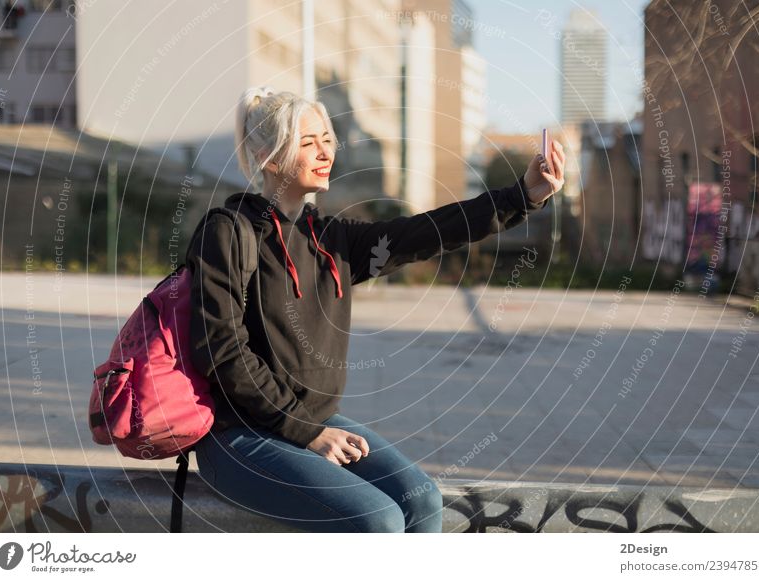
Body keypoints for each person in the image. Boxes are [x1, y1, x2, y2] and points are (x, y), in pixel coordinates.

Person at [186, 86, 565, 533]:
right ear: (268, 158)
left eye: (328, 139)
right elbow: (222, 349)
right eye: (308, 143)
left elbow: (424, 232)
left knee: (421, 501)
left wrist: (524, 196)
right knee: (378, 520)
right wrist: (307, 434)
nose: (324, 151)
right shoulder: (229, 233)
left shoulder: (330, 240)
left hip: (312, 422)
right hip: (239, 436)